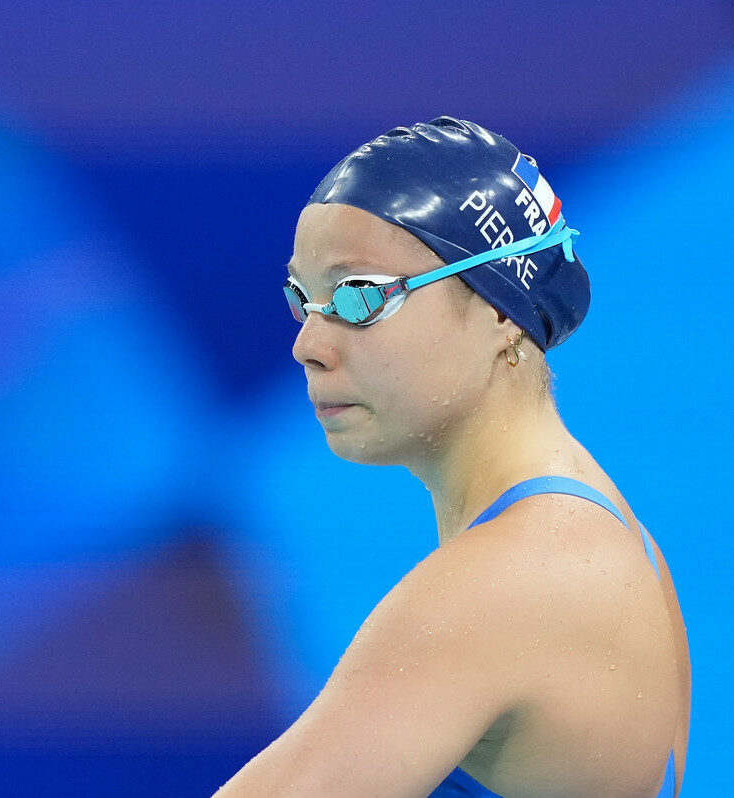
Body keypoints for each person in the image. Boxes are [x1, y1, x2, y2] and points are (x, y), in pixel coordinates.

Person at [216, 118, 690, 798]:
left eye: (360, 296)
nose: (309, 345)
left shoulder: (514, 578)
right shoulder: (600, 535)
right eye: (304, 300)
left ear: (503, 310)